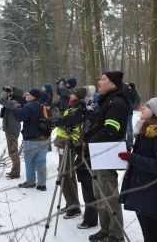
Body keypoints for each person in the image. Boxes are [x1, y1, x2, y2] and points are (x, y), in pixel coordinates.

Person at [118, 97, 157, 242]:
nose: (142, 108)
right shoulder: (146, 131)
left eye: (147, 106)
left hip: (152, 192)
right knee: (149, 234)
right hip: (143, 189)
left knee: (151, 235)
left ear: (156, 113)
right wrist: (132, 161)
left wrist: (132, 158)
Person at [83, 71, 131, 242]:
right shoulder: (106, 101)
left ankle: (116, 234)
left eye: (103, 79)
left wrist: (89, 143)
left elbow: (111, 130)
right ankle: (105, 229)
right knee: (99, 193)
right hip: (98, 151)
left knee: (109, 195)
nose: (99, 81)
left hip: (106, 151)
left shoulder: (117, 102)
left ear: (113, 84)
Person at [51, 87, 87, 219]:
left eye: (72, 94)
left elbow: (69, 121)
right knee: (68, 174)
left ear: (77, 96)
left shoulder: (78, 108)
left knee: (64, 175)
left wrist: (57, 120)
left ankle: (74, 206)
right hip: (64, 142)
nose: (70, 95)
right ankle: (72, 203)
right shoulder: (73, 106)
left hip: (69, 142)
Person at [12, 88, 49, 191]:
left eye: (29, 94)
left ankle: (30, 182)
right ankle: (42, 184)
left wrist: (15, 108)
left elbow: (20, 116)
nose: (27, 95)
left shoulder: (30, 106)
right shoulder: (43, 105)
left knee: (29, 161)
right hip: (44, 139)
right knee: (41, 162)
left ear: (34, 96)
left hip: (31, 140)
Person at [0, 86, 25, 179]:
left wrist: (5, 91)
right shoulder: (15, 101)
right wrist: (6, 92)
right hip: (12, 129)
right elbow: (4, 101)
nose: (11, 92)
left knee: (13, 151)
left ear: (16, 93)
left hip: (12, 130)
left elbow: (2, 100)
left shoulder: (14, 103)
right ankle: (15, 170)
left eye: (12, 91)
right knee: (12, 150)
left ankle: (15, 172)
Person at [124, 83, 138, 148]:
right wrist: (133, 107)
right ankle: (131, 141)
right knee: (130, 127)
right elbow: (137, 101)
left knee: (128, 127)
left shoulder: (127, 93)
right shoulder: (135, 93)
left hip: (126, 111)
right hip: (130, 111)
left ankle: (129, 142)